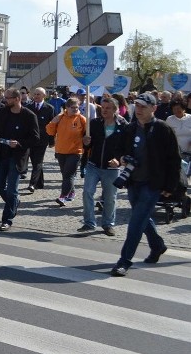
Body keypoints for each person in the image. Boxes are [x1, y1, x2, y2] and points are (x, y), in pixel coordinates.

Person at [110, 93, 180, 277]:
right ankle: (157, 245)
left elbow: (174, 160)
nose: (139, 109)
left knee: (135, 222)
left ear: (153, 108)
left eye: (143, 106)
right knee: (141, 218)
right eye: (137, 106)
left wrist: (170, 186)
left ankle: (124, 260)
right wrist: (122, 158)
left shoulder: (163, 129)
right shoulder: (130, 128)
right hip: (134, 181)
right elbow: (119, 150)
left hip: (153, 183)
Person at [0, 88, 40, 232]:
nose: (5, 100)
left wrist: (19, 143)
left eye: (8, 98)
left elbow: (35, 138)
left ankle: (7, 220)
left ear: (17, 99)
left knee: (12, 189)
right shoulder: (2, 112)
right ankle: (14, 203)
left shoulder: (29, 116)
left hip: (18, 156)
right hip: (2, 154)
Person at [80, 96, 127, 235]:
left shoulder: (123, 126)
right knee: (87, 192)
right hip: (93, 165)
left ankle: (108, 224)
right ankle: (89, 222)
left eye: (108, 108)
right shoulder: (94, 123)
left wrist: (119, 160)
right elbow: (86, 145)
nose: (104, 110)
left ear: (115, 110)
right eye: (103, 107)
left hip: (111, 168)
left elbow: (126, 147)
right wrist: (86, 142)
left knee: (110, 197)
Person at [45, 97, 86, 206]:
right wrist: (53, 122)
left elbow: (87, 135)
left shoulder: (81, 119)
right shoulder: (60, 118)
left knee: (68, 174)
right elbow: (49, 131)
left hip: (76, 152)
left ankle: (63, 196)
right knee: (65, 174)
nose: (75, 109)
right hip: (61, 151)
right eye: (72, 107)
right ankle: (71, 192)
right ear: (66, 107)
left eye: (77, 107)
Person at [25, 87, 56, 193]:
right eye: (35, 94)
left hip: (43, 139)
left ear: (44, 96)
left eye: (38, 94)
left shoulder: (49, 108)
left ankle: (32, 184)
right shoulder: (28, 107)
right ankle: (40, 183)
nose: (36, 96)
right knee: (35, 162)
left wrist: (52, 141)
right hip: (31, 139)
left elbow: (52, 125)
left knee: (38, 161)